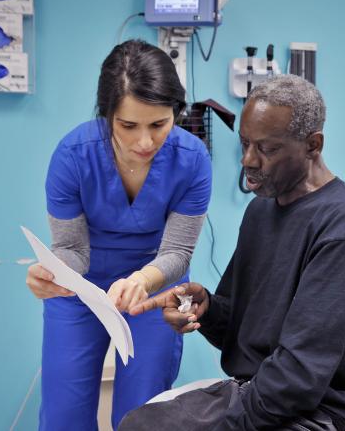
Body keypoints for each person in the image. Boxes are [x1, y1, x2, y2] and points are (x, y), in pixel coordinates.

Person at [119, 75, 345, 430]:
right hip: (275, 394)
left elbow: (301, 373)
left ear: (313, 145)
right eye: (245, 144)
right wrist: (207, 309)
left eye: (267, 149)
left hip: (344, 411)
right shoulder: (261, 211)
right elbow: (243, 330)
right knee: (139, 425)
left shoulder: (344, 226)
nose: (248, 160)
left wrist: (225, 424)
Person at [25, 39, 212, 430]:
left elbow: (178, 250)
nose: (145, 142)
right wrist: (52, 272)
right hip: (81, 290)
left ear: (175, 114)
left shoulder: (192, 160)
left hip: (157, 286)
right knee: (64, 414)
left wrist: (141, 280)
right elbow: (72, 248)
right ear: (107, 115)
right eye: (128, 126)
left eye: (159, 125)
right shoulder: (73, 156)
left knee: (142, 412)